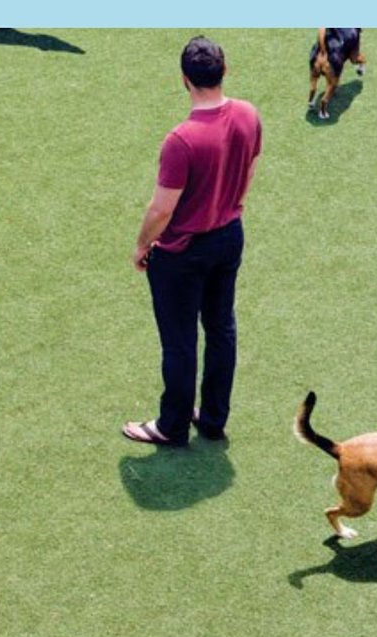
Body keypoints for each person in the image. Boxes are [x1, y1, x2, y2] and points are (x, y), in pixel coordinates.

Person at [123, 35, 261, 447]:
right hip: (229, 236)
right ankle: (214, 417)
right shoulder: (249, 115)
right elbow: (250, 171)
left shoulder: (181, 140)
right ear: (225, 70)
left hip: (183, 253)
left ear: (185, 79)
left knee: (180, 340)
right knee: (221, 328)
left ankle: (173, 425)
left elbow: (162, 209)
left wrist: (142, 244)